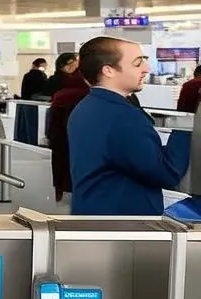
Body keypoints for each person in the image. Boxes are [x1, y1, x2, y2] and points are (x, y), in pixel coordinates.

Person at [68, 36, 191, 216]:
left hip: (93, 214)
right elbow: (165, 172)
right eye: (137, 63)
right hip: (124, 226)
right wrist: (185, 129)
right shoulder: (122, 116)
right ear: (108, 70)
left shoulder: (86, 107)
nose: (146, 69)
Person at [44, 63, 90, 203]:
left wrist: (50, 136)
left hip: (60, 137)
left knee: (59, 164)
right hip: (82, 138)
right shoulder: (89, 95)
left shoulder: (60, 95)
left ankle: (58, 191)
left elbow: (53, 119)